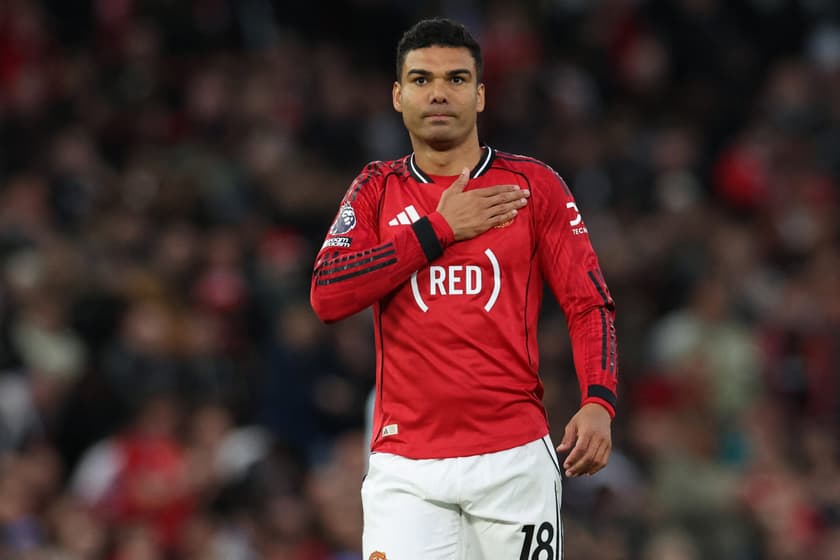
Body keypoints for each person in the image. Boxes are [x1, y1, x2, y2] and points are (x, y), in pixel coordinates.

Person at [310, 17, 617, 560]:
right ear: (398, 95)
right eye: (421, 79)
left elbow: (588, 301)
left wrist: (599, 400)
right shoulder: (376, 188)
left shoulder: (534, 186)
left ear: (479, 95)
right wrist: (438, 230)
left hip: (513, 459)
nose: (438, 93)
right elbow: (327, 294)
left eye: (456, 79)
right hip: (406, 469)